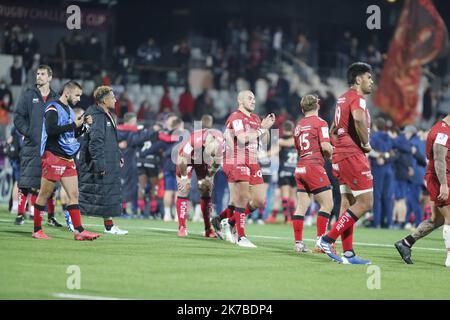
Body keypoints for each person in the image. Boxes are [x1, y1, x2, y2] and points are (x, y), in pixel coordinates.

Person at [317, 62, 374, 264]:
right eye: (369, 77)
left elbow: (333, 129)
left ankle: (348, 253)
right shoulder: (357, 99)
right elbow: (358, 120)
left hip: (341, 155)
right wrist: (365, 143)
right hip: (352, 155)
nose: (371, 81)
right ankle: (327, 239)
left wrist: (337, 148)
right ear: (358, 79)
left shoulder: (342, 99)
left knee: (348, 203)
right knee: (366, 202)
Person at [32, 81, 100, 240]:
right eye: (77, 95)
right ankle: (36, 230)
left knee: (74, 194)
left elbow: (70, 135)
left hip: (67, 158)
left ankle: (79, 231)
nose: (78, 99)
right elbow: (51, 130)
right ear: (67, 93)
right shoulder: (53, 107)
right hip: (53, 155)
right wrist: (73, 124)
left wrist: (83, 126)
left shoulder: (69, 111)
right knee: (45, 193)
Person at [219, 90, 276, 248]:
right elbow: (242, 139)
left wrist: (266, 127)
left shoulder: (256, 118)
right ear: (240, 101)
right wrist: (259, 130)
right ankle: (241, 236)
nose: (253, 101)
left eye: (254, 99)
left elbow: (264, 142)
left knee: (258, 200)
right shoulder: (236, 117)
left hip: (253, 160)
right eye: (250, 98)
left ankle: (229, 222)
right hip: (239, 159)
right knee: (243, 197)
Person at [395, 113, 450, 267]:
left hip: (442, 177)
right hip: (440, 178)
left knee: (436, 220)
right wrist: (444, 184)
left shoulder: (444, 129)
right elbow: (439, 159)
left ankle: (406, 243)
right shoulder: (442, 132)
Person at [13, 65, 61, 227]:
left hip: (50, 147)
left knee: (50, 183)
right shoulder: (28, 95)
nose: (39, 76)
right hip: (31, 146)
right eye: (37, 74)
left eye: (42, 74)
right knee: (26, 181)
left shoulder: (56, 98)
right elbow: (18, 117)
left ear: (50, 77)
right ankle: (20, 214)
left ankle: (51, 216)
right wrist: (28, 132)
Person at [77, 86, 128, 235]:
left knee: (106, 196)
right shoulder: (96, 115)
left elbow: (111, 139)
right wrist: (99, 164)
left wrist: (118, 155)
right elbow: (95, 142)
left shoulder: (106, 114)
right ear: (104, 100)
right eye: (112, 97)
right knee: (89, 195)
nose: (115, 100)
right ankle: (74, 222)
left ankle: (109, 226)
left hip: (109, 160)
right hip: (99, 163)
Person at [291, 94, 334, 253]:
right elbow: (325, 146)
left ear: (302, 109)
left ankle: (298, 243)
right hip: (313, 166)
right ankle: (321, 242)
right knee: (327, 204)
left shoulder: (298, 125)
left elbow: (298, 147)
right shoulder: (321, 123)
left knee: (301, 206)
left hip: (300, 167)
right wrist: (331, 154)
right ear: (318, 105)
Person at [176, 128, 223, 237]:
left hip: (202, 162)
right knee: (184, 188)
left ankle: (208, 229)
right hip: (187, 159)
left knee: (206, 190)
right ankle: (182, 227)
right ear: (205, 144)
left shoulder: (221, 144)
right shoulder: (194, 140)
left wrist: (208, 177)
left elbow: (217, 164)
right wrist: (183, 178)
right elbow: (182, 159)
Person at [117, 112, 154, 217]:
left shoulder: (117, 131)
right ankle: (124, 210)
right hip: (126, 162)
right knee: (126, 185)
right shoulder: (130, 132)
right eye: (135, 121)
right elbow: (138, 140)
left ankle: (128, 209)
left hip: (126, 161)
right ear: (131, 121)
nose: (136, 123)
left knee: (129, 186)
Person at [267, 120, 297, 224]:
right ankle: (292, 218)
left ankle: (287, 218)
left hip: (284, 170)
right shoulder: (296, 140)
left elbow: (272, 153)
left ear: (283, 129)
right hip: (295, 171)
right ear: (293, 129)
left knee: (284, 195)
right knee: (293, 196)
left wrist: (263, 154)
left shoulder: (281, 141)